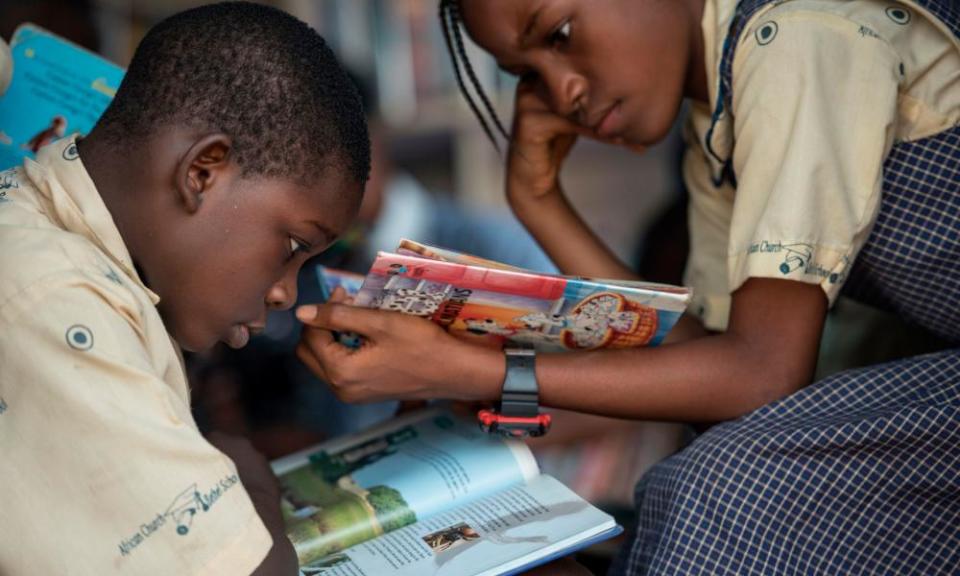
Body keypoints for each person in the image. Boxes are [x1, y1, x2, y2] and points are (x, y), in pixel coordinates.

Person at [296, 0, 959, 573]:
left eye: (558, 34)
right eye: (527, 75)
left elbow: (764, 374)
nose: (562, 94)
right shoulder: (716, 119)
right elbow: (715, 376)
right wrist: (539, 201)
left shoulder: (797, 39)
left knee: (723, 488)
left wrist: (482, 372)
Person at [0, 2, 369, 574]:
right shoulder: (52, 299)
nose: (286, 295)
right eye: (294, 247)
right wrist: (253, 490)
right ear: (203, 172)